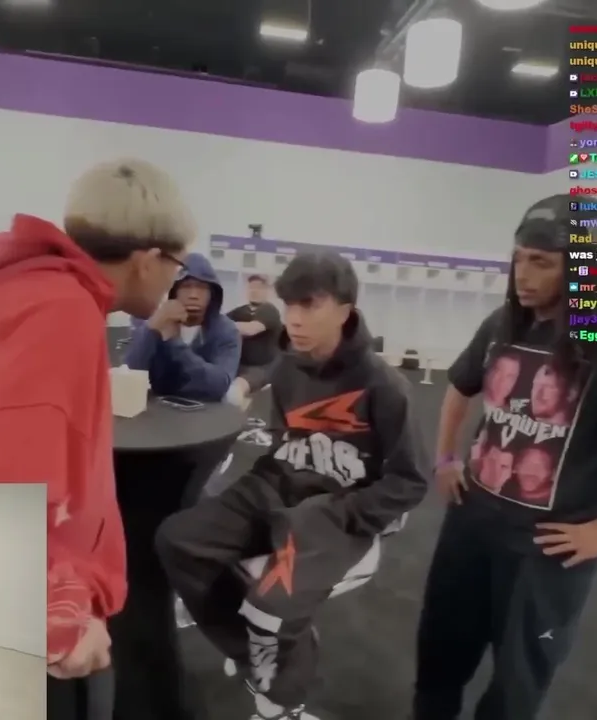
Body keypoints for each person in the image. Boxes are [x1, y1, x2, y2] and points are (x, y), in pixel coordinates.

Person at [0, 159, 196, 711]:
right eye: (176, 266)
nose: (173, 282)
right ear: (147, 259)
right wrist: (57, 619)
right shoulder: (62, 313)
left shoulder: (21, 292)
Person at [414, 194, 597, 720]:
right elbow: (459, 387)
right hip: (472, 524)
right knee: (439, 659)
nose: (523, 275)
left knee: (517, 685)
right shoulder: (503, 325)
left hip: (547, 550)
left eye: (542, 262)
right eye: (519, 259)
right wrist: (445, 460)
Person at [155, 252, 429, 720]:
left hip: (336, 513)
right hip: (277, 488)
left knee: (271, 607)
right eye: (290, 305)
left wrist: (347, 513)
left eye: (310, 305)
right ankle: (252, 654)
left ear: (344, 310)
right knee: (177, 540)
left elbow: (411, 480)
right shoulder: (285, 370)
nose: (295, 319)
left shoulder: (384, 387)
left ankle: (283, 704)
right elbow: (286, 446)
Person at [124, 252, 240, 403]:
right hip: (158, 405)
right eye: (186, 286)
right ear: (174, 292)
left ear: (212, 294)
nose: (193, 295)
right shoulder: (153, 320)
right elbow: (131, 371)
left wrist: (174, 343)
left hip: (205, 408)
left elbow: (219, 385)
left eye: (201, 287)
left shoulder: (225, 330)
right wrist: (152, 328)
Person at [226, 273, 284, 406]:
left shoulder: (269, 310)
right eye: (251, 287)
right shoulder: (240, 312)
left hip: (263, 367)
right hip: (239, 365)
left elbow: (251, 329)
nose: (254, 291)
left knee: (236, 390)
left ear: (267, 291)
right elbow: (216, 323)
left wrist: (224, 326)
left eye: (259, 287)